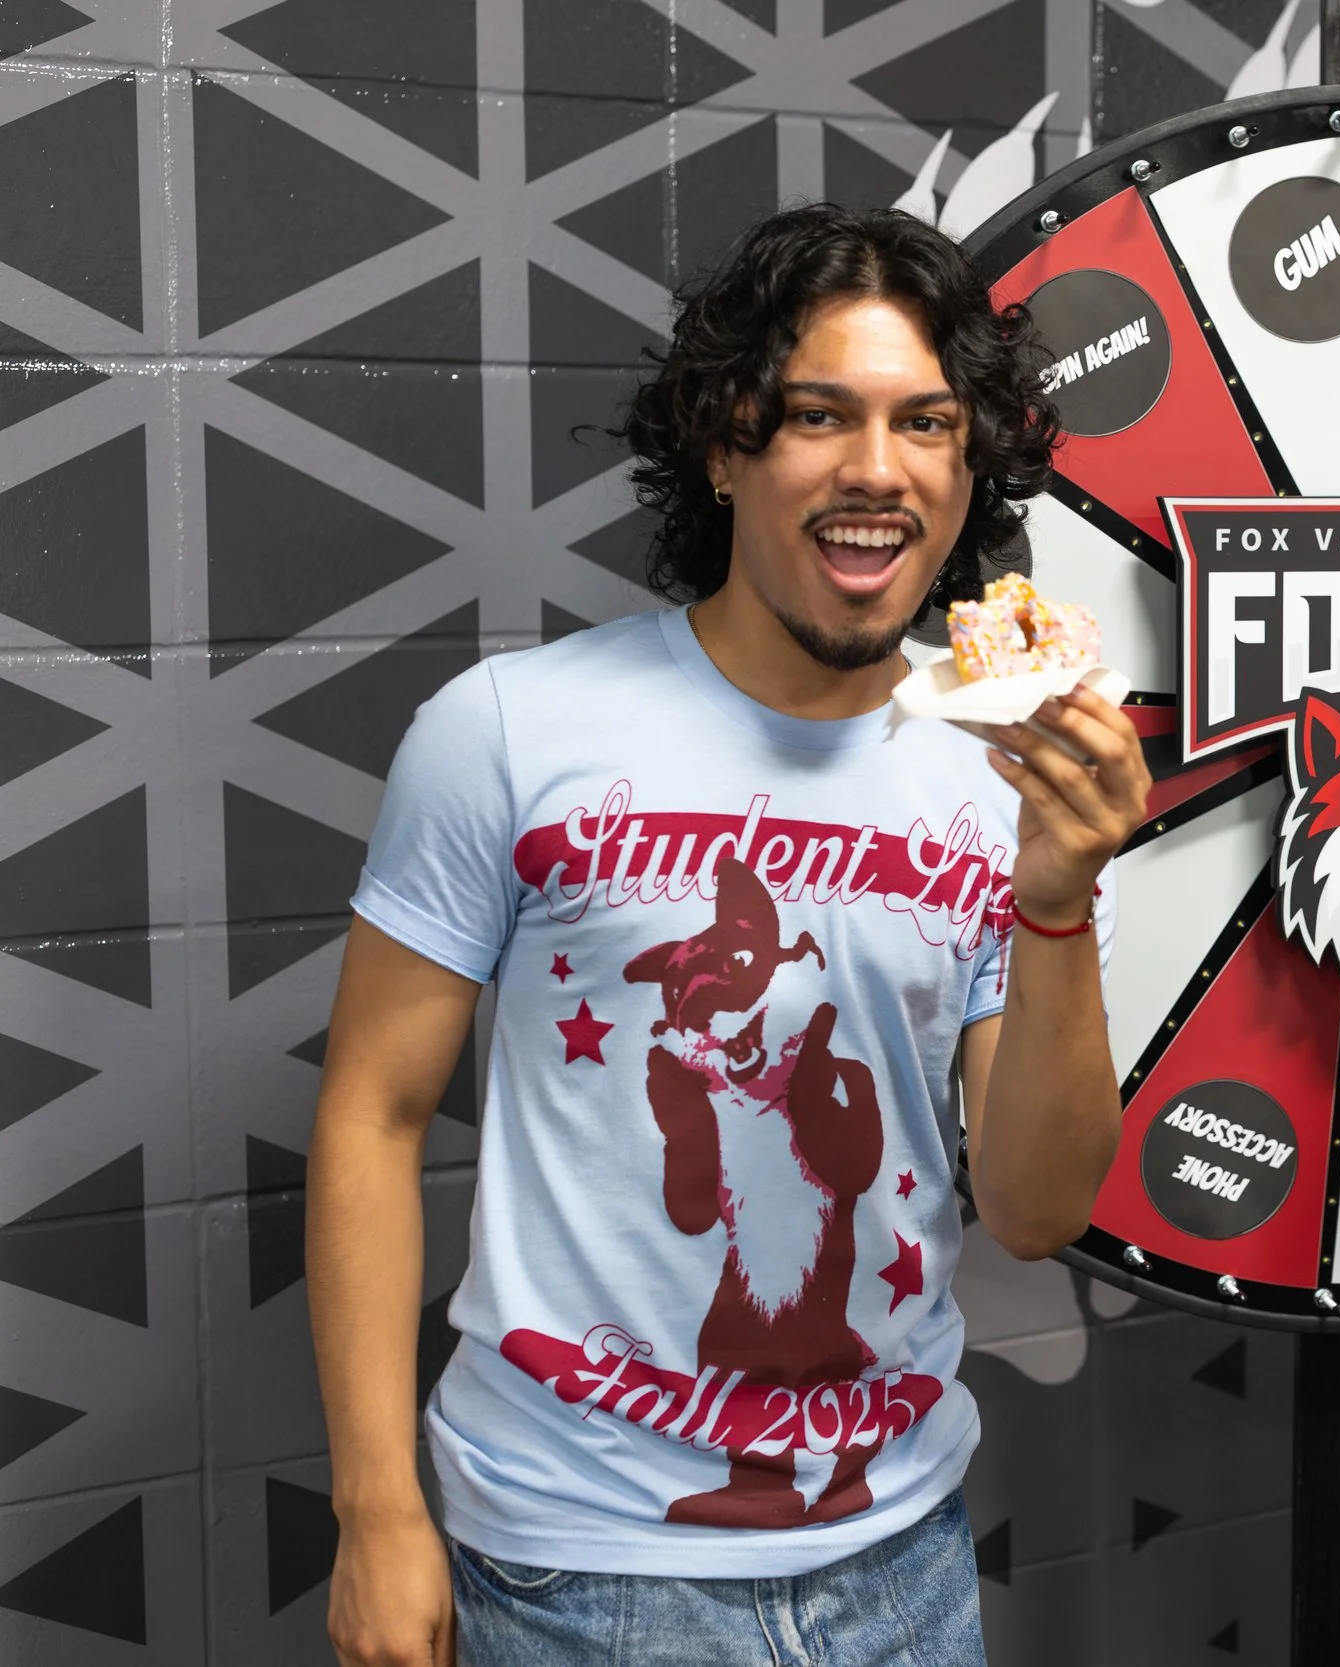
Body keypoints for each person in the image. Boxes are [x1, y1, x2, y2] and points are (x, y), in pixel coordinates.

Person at [305, 204, 1148, 1667]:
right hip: (579, 1569)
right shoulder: (509, 732)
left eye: (926, 423)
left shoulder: (1010, 770)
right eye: (820, 415)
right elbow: (372, 1113)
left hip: (902, 1556)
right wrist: (377, 1508)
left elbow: (1034, 1208)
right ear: (722, 446)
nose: (876, 470)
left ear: (970, 465)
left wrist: (1059, 899)